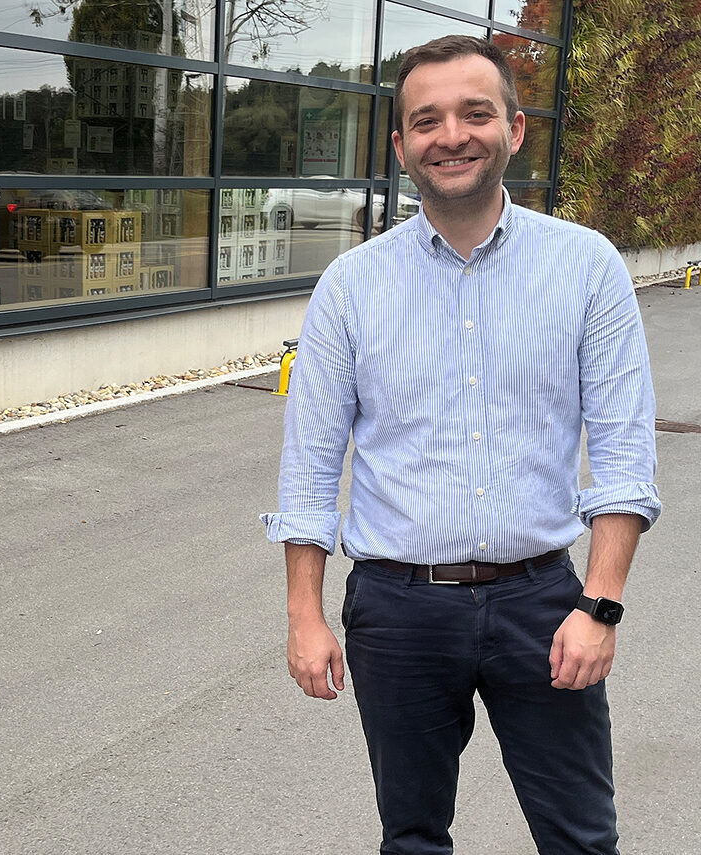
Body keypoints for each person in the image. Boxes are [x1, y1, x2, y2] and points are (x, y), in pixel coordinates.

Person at [261, 34, 660, 855]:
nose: (453, 135)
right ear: (402, 145)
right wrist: (304, 614)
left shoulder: (586, 268)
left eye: (476, 113)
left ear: (514, 130)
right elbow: (310, 463)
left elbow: (623, 454)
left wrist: (601, 604)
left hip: (544, 607)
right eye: (428, 119)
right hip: (398, 611)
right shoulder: (351, 287)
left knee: (582, 838)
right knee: (412, 837)